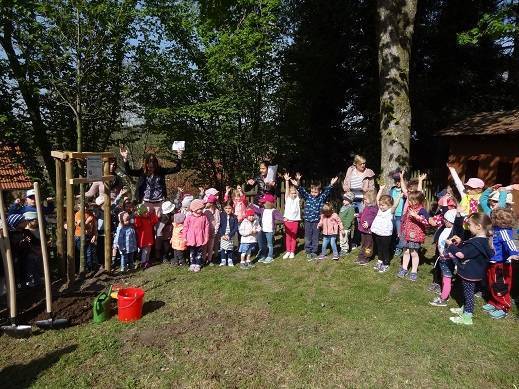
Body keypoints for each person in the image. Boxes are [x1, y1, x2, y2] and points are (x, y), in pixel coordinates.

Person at [446, 213, 494, 326]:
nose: (468, 227)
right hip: (476, 273)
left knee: (468, 295)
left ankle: (467, 317)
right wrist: (461, 242)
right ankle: (465, 308)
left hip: (470, 274)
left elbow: (461, 255)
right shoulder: (482, 240)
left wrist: (451, 245)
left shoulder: (475, 243)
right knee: (469, 293)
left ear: (478, 227)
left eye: (470, 225)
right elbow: (471, 250)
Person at [120, 145, 182, 215]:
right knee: (147, 220)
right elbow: (129, 172)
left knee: (158, 219)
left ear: (156, 164)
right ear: (146, 164)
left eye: (153, 163)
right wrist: (125, 158)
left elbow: (177, 169)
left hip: (159, 201)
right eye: (149, 163)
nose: (151, 165)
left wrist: (179, 156)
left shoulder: (160, 171)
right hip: (147, 201)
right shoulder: (142, 172)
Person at [291, 174, 339, 260]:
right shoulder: (308, 197)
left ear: (319, 192)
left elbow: (327, 192)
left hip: (317, 221)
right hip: (307, 221)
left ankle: (314, 251)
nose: (313, 194)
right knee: (308, 236)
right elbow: (302, 191)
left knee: (315, 237)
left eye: (315, 192)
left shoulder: (321, 198)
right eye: (312, 192)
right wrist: (297, 185)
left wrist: (331, 184)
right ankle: (308, 250)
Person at [483, 208, 518, 319]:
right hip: (493, 261)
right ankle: (494, 302)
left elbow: (510, 243)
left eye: (494, 218)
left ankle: (503, 306)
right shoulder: (496, 229)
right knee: (491, 282)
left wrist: (514, 253)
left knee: (500, 285)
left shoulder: (505, 232)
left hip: (501, 265)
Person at [429, 209, 463, 306]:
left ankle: (443, 298)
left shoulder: (455, 231)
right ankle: (445, 293)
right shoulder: (445, 228)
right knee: (445, 277)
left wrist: (458, 213)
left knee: (447, 278)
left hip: (448, 259)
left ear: (450, 221)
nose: (444, 221)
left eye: (446, 220)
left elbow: (458, 224)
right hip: (442, 258)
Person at [396, 191, 429, 281]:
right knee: (406, 251)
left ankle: (414, 271)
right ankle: (404, 268)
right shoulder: (409, 208)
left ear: (416, 201)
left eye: (410, 200)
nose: (409, 202)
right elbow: (404, 220)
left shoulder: (422, 210)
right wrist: (400, 231)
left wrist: (417, 216)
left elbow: (427, 222)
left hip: (415, 236)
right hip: (405, 234)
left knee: (414, 253)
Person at [371, 186, 402, 272]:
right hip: (377, 232)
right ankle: (380, 261)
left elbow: (395, 204)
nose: (380, 207)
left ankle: (386, 263)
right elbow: (377, 199)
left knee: (385, 248)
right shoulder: (380, 210)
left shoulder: (390, 211)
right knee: (379, 247)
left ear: (389, 205)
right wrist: (380, 189)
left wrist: (399, 196)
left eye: (383, 205)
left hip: (386, 234)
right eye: (380, 205)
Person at [250, 193, 284, 264]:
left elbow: (280, 217)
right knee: (264, 244)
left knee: (270, 244)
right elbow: (256, 209)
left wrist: (285, 219)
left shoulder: (273, 211)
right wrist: (250, 205)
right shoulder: (263, 210)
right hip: (263, 230)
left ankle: (270, 256)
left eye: (264, 202)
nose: (262, 203)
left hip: (270, 231)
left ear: (269, 203)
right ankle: (263, 255)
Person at [182, 199, 210, 272]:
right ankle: (192, 263)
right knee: (192, 251)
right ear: (194, 209)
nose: (201, 210)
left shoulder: (204, 217)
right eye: (199, 209)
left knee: (199, 251)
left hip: (200, 237)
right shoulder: (189, 217)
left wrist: (206, 237)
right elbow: (185, 227)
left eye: (202, 209)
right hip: (191, 238)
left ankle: (198, 264)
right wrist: (184, 237)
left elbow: (206, 227)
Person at [354, 190, 378, 266]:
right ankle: (361, 256)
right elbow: (363, 214)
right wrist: (358, 215)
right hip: (363, 230)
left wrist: (368, 223)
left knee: (368, 245)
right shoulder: (367, 207)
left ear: (371, 199)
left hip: (369, 231)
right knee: (363, 244)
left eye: (366, 199)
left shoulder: (374, 208)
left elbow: (373, 218)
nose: (364, 200)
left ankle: (366, 257)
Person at [134, 204, 159, 269]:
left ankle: (147, 261)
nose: (146, 213)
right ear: (141, 213)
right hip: (143, 238)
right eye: (145, 213)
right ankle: (143, 262)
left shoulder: (148, 218)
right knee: (145, 251)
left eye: (146, 212)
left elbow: (155, 221)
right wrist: (138, 216)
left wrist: (153, 213)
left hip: (149, 238)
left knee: (149, 250)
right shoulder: (139, 219)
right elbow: (137, 225)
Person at [282, 173, 301, 259]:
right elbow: (286, 190)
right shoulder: (287, 199)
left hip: (295, 221)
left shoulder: (297, 199)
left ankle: (292, 251)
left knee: (293, 237)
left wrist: (298, 180)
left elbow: (297, 188)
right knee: (288, 237)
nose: (293, 194)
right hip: (287, 221)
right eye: (292, 193)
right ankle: (288, 251)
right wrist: (286, 180)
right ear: (289, 194)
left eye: (294, 193)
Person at [74, 205, 98, 272]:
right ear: (79, 205)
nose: (85, 208)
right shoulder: (78, 214)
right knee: (82, 253)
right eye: (83, 206)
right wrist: (88, 221)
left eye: (86, 206)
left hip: (89, 236)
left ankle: (90, 269)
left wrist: (94, 235)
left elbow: (94, 226)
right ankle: (82, 270)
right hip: (79, 236)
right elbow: (81, 225)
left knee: (90, 253)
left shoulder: (90, 214)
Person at [218, 201, 239, 267]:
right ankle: (223, 260)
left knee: (230, 248)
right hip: (223, 235)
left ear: (232, 208)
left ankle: (230, 260)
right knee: (223, 248)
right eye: (226, 208)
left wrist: (229, 235)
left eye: (229, 208)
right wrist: (222, 235)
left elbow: (235, 227)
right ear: (224, 208)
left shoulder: (234, 217)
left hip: (230, 235)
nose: (228, 210)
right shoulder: (221, 215)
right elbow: (219, 226)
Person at [389, 172, 405, 256]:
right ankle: (392, 246)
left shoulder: (404, 191)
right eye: (396, 181)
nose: (397, 183)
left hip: (400, 215)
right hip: (392, 214)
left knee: (400, 232)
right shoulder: (392, 190)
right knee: (392, 231)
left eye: (399, 180)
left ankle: (399, 247)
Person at [203, 194, 221, 265]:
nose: (206, 203)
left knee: (211, 247)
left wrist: (215, 231)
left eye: (208, 202)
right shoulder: (205, 210)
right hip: (205, 231)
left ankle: (210, 260)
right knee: (204, 247)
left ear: (211, 203)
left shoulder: (216, 211)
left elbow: (218, 222)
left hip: (213, 232)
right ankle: (203, 259)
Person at [339, 192, 355, 256]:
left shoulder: (351, 208)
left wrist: (346, 227)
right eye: (343, 199)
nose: (343, 201)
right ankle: (342, 248)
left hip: (345, 227)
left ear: (350, 201)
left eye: (345, 200)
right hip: (341, 226)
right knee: (342, 238)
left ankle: (345, 250)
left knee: (344, 238)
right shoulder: (343, 207)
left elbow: (349, 219)